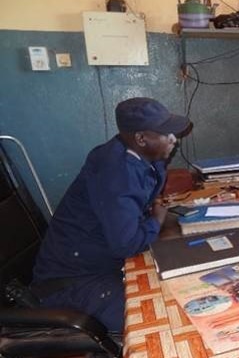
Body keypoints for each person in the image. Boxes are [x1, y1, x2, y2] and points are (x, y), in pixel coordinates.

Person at [32, 97, 192, 332]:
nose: (174, 139)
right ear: (141, 138)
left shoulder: (132, 154)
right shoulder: (116, 173)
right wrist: (156, 219)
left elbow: (143, 193)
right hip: (73, 282)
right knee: (164, 322)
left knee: (179, 282)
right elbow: (126, 245)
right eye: (165, 134)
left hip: (97, 263)